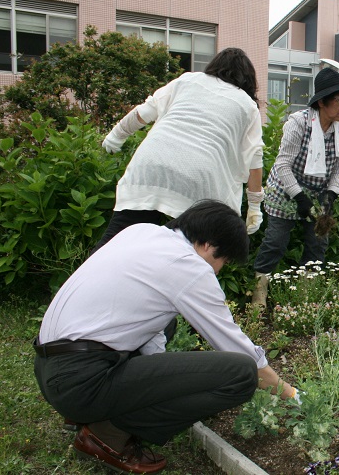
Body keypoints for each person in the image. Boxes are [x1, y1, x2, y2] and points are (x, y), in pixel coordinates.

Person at [33, 200, 298, 474]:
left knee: (166, 324)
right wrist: (288, 392)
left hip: (51, 370)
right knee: (241, 373)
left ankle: (83, 415)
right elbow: (237, 347)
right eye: (224, 260)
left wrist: (164, 384)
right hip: (80, 382)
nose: (218, 270)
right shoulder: (187, 266)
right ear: (208, 244)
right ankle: (106, 435)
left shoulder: (141, 232)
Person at [94, 47, 265, 252]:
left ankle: (86, 280)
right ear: (247, 79)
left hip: (150, 164)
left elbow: (143, 112)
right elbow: (254, 159)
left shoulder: (187, 81)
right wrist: (254, 208)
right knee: (187, 251)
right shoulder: (247, 105)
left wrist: (114, 137)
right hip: (201, 178)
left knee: (117, 240)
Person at [251, 67, 339, 309]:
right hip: (285, 190)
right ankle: (258, 300)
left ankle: (304, 298)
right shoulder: (299, 124)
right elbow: (282, 164)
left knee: (318, 244)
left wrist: (332, 194)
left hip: (319, 191)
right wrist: (299, 197)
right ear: (322, 101)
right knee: (276, 242)